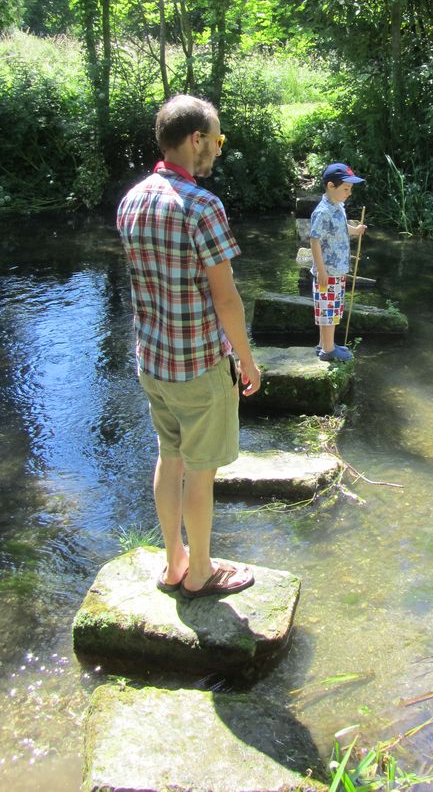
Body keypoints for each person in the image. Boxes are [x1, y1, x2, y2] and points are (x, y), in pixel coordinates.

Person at [117, 94, 261, 600]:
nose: (218, 151)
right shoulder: (203, 206)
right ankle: (201, 572)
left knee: (168, 459)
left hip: (151, 362)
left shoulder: (132, 200)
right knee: (201, 473)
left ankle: (173, 559)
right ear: (195, 139)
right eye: (217, 140)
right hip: (199, 366)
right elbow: (226, 299)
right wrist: (246, 361)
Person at [309, 162, 367, 363]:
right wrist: (321, 271)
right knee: (328, 311)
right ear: (331, 186)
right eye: (346, 189)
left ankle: (324, 343)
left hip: (338, 270)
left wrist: (355, 230)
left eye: (350, 189)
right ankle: (328, 349)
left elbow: (342, 228)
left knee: (332, 309)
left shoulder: (338, 207)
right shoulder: (323, 211)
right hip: (328, 272)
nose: (349, 193)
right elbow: (314, 240)